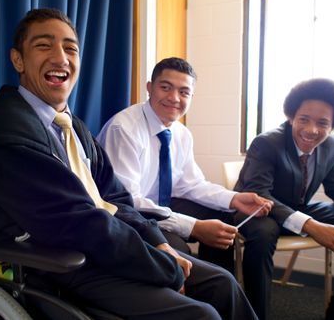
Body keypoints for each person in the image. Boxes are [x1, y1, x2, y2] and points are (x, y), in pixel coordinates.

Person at [0, 8, 259, 320]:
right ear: (18, 60)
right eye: (43, 45)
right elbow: (74, 221)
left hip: (104, 248)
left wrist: (158, 243)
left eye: (70, 48)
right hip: (61, 261)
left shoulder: (72, 127)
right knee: (200, 315)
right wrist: (161, 266)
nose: (61, 58)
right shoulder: (6, 131)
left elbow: (117, 199)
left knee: (223, 284)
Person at [97, 57, 272, 271]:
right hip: (125, 216)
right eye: (165, 88)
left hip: (158, 206)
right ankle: (198, 291)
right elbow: (127, 201)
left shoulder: (181, 133)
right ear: (150, 88)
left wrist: (234, 198)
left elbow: (190, 184)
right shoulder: (124, 129)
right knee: (180, 249)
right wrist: (194, 227)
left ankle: (217, 291)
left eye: (184, 92)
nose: (174, 98)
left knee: (223, 224)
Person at [234, 78, 334, 320]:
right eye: (304, 119)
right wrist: (311, 226)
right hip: (258, 211)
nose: (311, 130)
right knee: (263, 232)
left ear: (333, 125)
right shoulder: (267, 143)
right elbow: (260, 195)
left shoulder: (331, 145)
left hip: (297, 210)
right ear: (291, 116)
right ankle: (254, 314)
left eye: (322, 123)